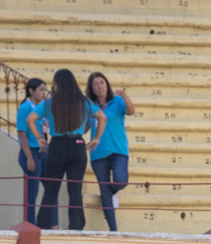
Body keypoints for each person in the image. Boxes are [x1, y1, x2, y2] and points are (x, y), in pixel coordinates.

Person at [27, 69, 106, 231]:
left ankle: (42, 226)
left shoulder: (50, 102)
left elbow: (31, 119)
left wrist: (39, 138)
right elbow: (102, 117)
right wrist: (96, 138)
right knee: (75, 191)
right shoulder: (84, 102)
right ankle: (76, 228)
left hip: (57, 146)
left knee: (50, 190)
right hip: (77, 145)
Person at [85, 71, 135, 232]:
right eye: (96, 85)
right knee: (104, 191)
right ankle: (114, 231)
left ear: (107, 84)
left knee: (121, 180)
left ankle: (111, 192)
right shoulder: (90, 106)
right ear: (92, 89)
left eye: (102, 83)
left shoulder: (118, 101)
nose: (99, 87)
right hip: (98, 153)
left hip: (118, 149)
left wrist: (125, 96)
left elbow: (132, 111)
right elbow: (85, 126)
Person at [15, 78, 57, 228]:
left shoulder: (42, 109)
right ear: (31, 91)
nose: (43, 93)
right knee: (32, 192)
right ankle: (30, 225)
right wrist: (29, 158)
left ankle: (53, 224)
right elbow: (22, 134)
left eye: (45, 89)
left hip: (44, 152)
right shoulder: (25, 108)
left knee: (52, 188)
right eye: (40, 89)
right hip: (31, 152)